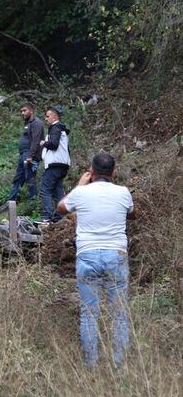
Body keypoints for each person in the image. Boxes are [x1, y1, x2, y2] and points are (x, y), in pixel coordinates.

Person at [57, 153, 135, 368]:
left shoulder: (82, 193)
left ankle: (90, 366)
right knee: (119, 314)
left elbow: (61, 208)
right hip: (116, 256)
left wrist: (80, 184)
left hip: (88, 255)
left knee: (89, 314)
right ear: (113, 173)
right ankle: (119, 366)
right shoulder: (123, 193)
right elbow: (131, 213)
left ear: (91, 171)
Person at [37, 106, 70, 224]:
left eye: (47, 116)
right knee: (57, 191)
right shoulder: (61, 130)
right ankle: (59, 217)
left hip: (54, 165)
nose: (45, 119)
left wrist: (44, 143)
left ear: (55, 117)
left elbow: (54, 144)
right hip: (63, 165)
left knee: (45, 189)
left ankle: (46, 216)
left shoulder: (55, 127)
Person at [7, 103, 44, 203]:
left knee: (30, 178)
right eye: (21, 111)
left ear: (31, 110)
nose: (22, 113)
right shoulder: (28, 123)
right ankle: (10, 201)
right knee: (18, 178)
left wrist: (31, 156)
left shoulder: (36, 123)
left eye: (24, 110)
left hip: (29, 155)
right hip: (23, 154)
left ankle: (32, 203)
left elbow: (36, 140)